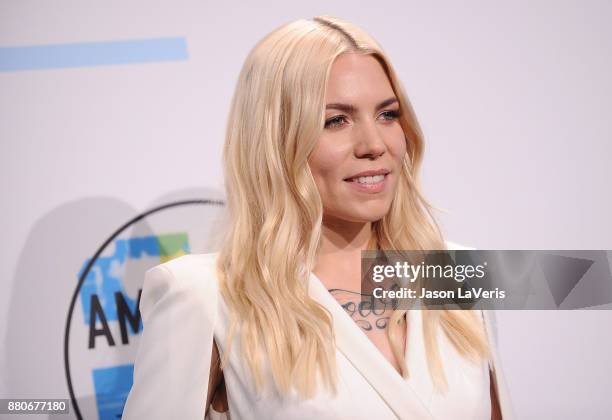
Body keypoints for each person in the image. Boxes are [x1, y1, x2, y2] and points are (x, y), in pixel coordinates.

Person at [122, 15, 514, 420]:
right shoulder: (206, 296)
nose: (374, 144)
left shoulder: (458, 272)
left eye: (387, 114)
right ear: (277, 141)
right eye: (336, 120)